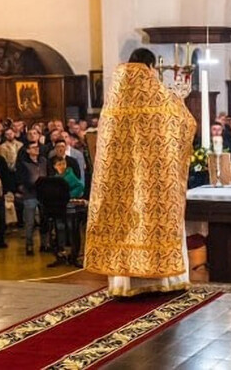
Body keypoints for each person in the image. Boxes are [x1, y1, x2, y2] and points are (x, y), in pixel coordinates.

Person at [84, 48, 196, 297]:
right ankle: (163, 280)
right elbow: (184, 124)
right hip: (154, 180)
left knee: (124, 224)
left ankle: (124, 284)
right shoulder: (154, 93)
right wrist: (179, 99)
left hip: (119, 178)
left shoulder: (115, 93)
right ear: (150, 66)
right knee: (154, 222)